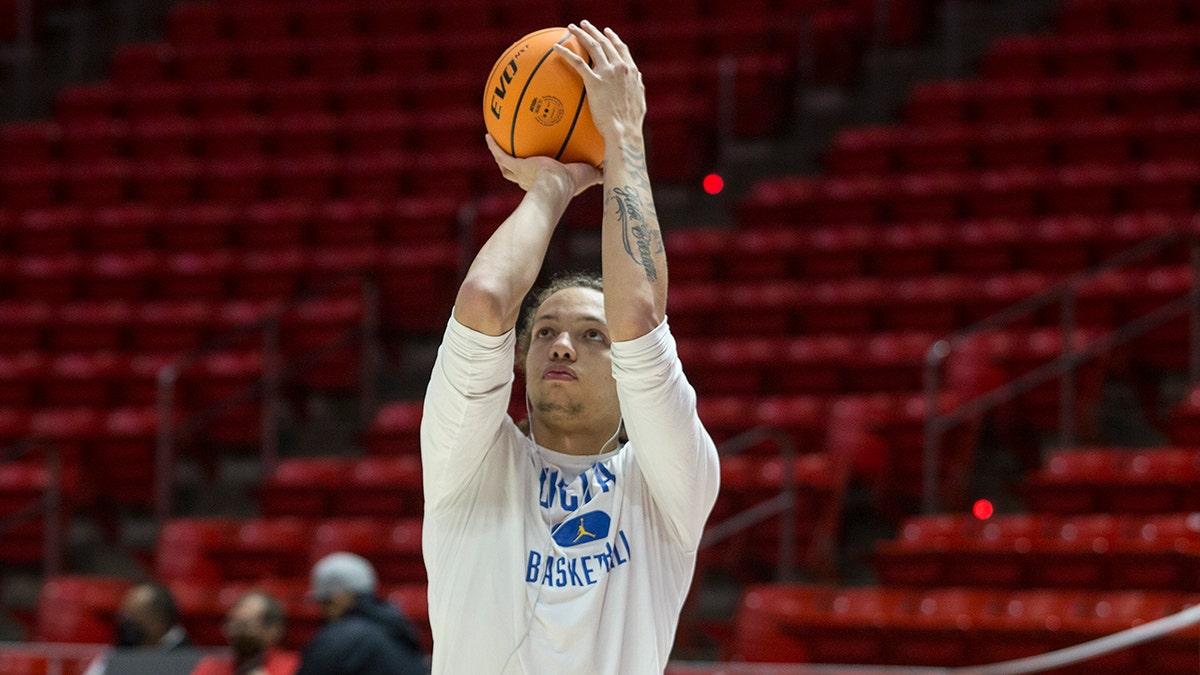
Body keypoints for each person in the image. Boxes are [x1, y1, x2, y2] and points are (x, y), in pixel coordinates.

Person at [420, 20, 720, 674]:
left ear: (628, 374)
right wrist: (551, 187)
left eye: (592, 336)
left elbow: (638, 312)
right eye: (546, 331)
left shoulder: (667, 482)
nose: (561, 344)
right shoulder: (467, 462)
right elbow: (486, 301)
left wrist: (623, 141)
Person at [295, 552, 426, 675]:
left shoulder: (339, 638)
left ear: (338, 597)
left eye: (325, 602)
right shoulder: (399, 627)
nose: (322, 611)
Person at [191, 591, 299, 675]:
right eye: (233, 623)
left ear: (273, 630)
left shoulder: (294, 666)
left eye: (245, 625)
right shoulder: (209, 667)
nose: (238, 632)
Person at [114, 582, 190, 650]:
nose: (127, 624)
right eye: (125, 615)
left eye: (134, 615)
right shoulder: (124, 651)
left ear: (159, 621)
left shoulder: (186, 655)